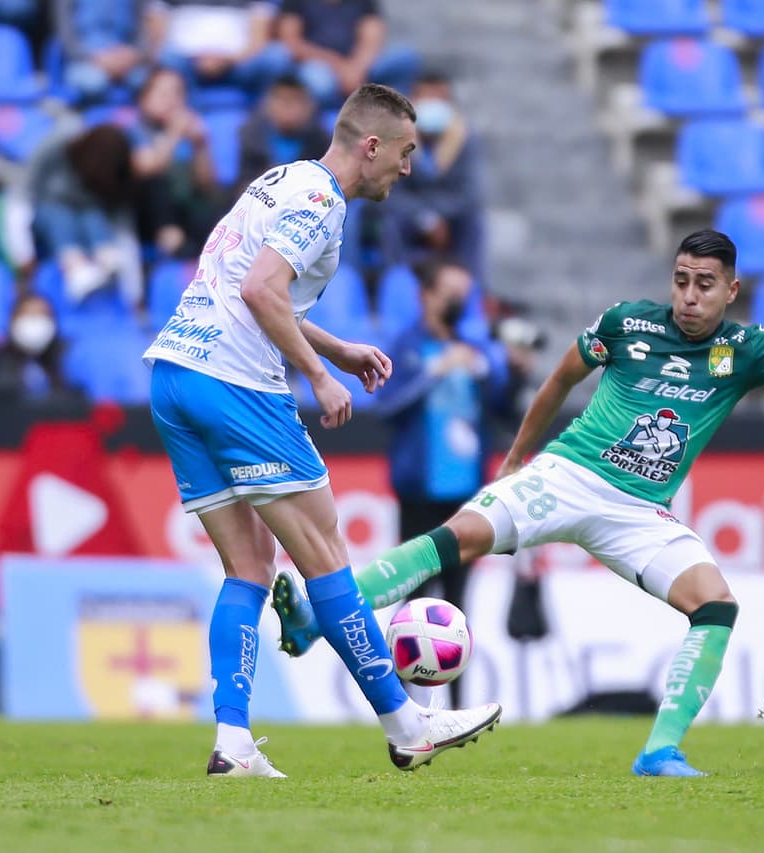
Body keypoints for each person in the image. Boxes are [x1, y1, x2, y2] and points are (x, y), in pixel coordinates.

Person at [270, 228, 764, 777]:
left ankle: (660, 748)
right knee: (455, 536)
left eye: (705, 284)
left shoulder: (745, 350)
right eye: (681, 279)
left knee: (717, 604)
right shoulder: (627, 324)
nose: (689, 295)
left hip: (639, 511)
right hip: (567, 474)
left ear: (730, 290)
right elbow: (559, 378)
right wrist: (520, 455)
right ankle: (311, 611)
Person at [142, 83, 502, 778]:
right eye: (404, 152)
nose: (408, 168)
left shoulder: (280, 182)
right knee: (326, 554)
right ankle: (408, 723)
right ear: (371, 146)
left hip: (176, 374)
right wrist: (318, 374)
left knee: (249, 566)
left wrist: (336, 349)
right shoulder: (321, 201)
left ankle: (234, 743)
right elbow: (260, 291)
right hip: (234, 384)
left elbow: (250, 286)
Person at [371, 257, 509, 707]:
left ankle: (458, 706)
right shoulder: (408, 346)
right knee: (412, 601)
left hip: (467, 497)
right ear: (427, 295)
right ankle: (400, 706)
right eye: (450, 292)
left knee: (460, 603)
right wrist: (434, 372)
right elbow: (386, 405)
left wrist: (496, 369)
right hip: (419, 492)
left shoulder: (474, 348)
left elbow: (506, 404)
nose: (457, 303)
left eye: (462, 295)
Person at [380, 70, 484, 282]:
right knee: (390, 223)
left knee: (474, 222)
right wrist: (426, 219)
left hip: (451, 216)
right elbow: (389, 191)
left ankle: (473, 290)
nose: (432, 105)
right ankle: (396, 283)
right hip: (409, 215)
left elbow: (470, 193)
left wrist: (439, 216)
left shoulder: (465, 138)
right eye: (426, 98)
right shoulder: (393, 138)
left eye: (439, 99)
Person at [26, 123, 135, 302]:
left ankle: (106, 257)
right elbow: (25, 192)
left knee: (93, 214)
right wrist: (22, 251)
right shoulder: (58, 147)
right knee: (59, 215)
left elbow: (119, 217)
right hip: (45, 215)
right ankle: (75, 268)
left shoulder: (114, 176)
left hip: (86, 217)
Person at [130, 67, 217, 258]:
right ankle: (172, 241)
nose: (171, 100)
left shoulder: (190, 135)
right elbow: (147, 169)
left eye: (177, 93)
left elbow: (207, 186)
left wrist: (201, 146)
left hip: (185, 210)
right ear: (144, 98)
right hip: (146, 216)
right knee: (157, 184)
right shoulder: (135, 130)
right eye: (163, 93)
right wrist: (174, 133)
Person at [277, 0, 420, 105]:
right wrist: (339, 66)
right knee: (318, 83)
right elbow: (292, 43)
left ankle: (396, 111)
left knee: (404, 57)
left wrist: (356, 68)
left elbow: (372, 37)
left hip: (359, 65)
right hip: (317, 64)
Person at [144, 0, 292, 97]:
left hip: (239, 63)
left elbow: (259, 39)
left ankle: (263, 126)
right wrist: (198, 58)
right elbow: (158, 37)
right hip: (187, 62)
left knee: (277, 56)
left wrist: (226, 61)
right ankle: (186, 121)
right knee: (166, 55)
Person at [237, 76, 332, 189]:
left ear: (309, 106)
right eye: (282, 100)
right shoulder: (251, 137)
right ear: (267, 105)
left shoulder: (322, 141)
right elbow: (244, 186)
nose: (288, 107)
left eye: (295, 100)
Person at [53, 0, 150, 103]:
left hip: (124, 57)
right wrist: (98, 59)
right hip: (85, 59)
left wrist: (132, 55)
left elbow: (143, 33)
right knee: (94, 82)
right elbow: (67, 40)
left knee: (144, 79)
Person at [0, 293, 77, 401]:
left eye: (42, 314)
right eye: (27, 314)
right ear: (12, 320)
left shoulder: (66, 363)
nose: (35, 322)